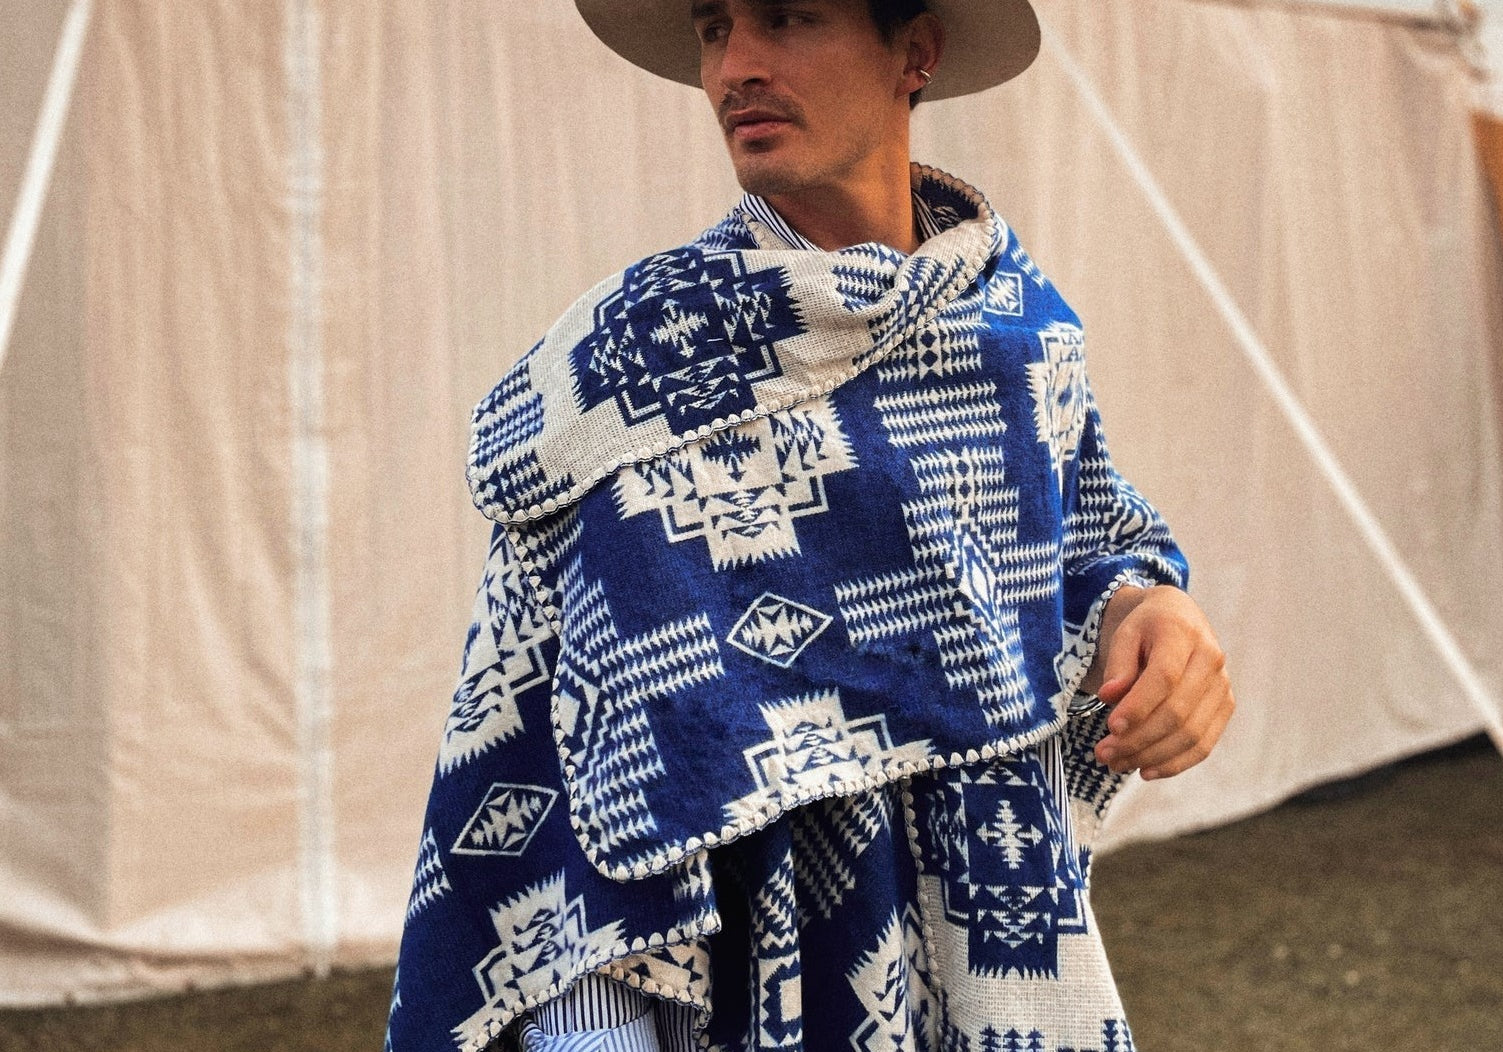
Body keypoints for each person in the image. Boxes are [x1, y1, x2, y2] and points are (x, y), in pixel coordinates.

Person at [385, 1, 1235, 1050]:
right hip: (743, 986)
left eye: (786, 17)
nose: (737, 65)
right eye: (713, 27)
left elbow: (1088, 553)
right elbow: (551, 758)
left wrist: (1153, 610)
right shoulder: (630, 374)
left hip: (1001, 951)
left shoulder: (1024, 333)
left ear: (913, 52)